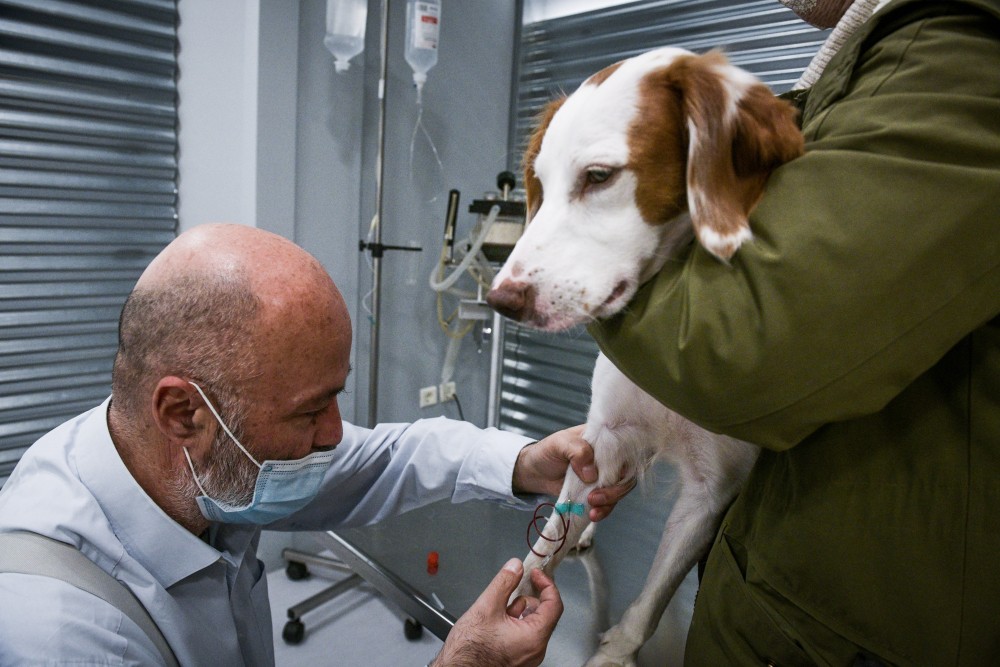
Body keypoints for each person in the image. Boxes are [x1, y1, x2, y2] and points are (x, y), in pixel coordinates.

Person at [0, 223, 632, 666]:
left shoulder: (195, 464)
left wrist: (525, 465)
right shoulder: (67, 637)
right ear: (183, 412)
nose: (334, 433)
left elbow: (388, 459)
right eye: (310, 410)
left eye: (335, 397)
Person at [588, 0, 1000, 663]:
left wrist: (577, 265)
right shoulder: (866, 65)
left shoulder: (950, 49)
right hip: (793, 597)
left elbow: (744, 348)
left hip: (854, 630)